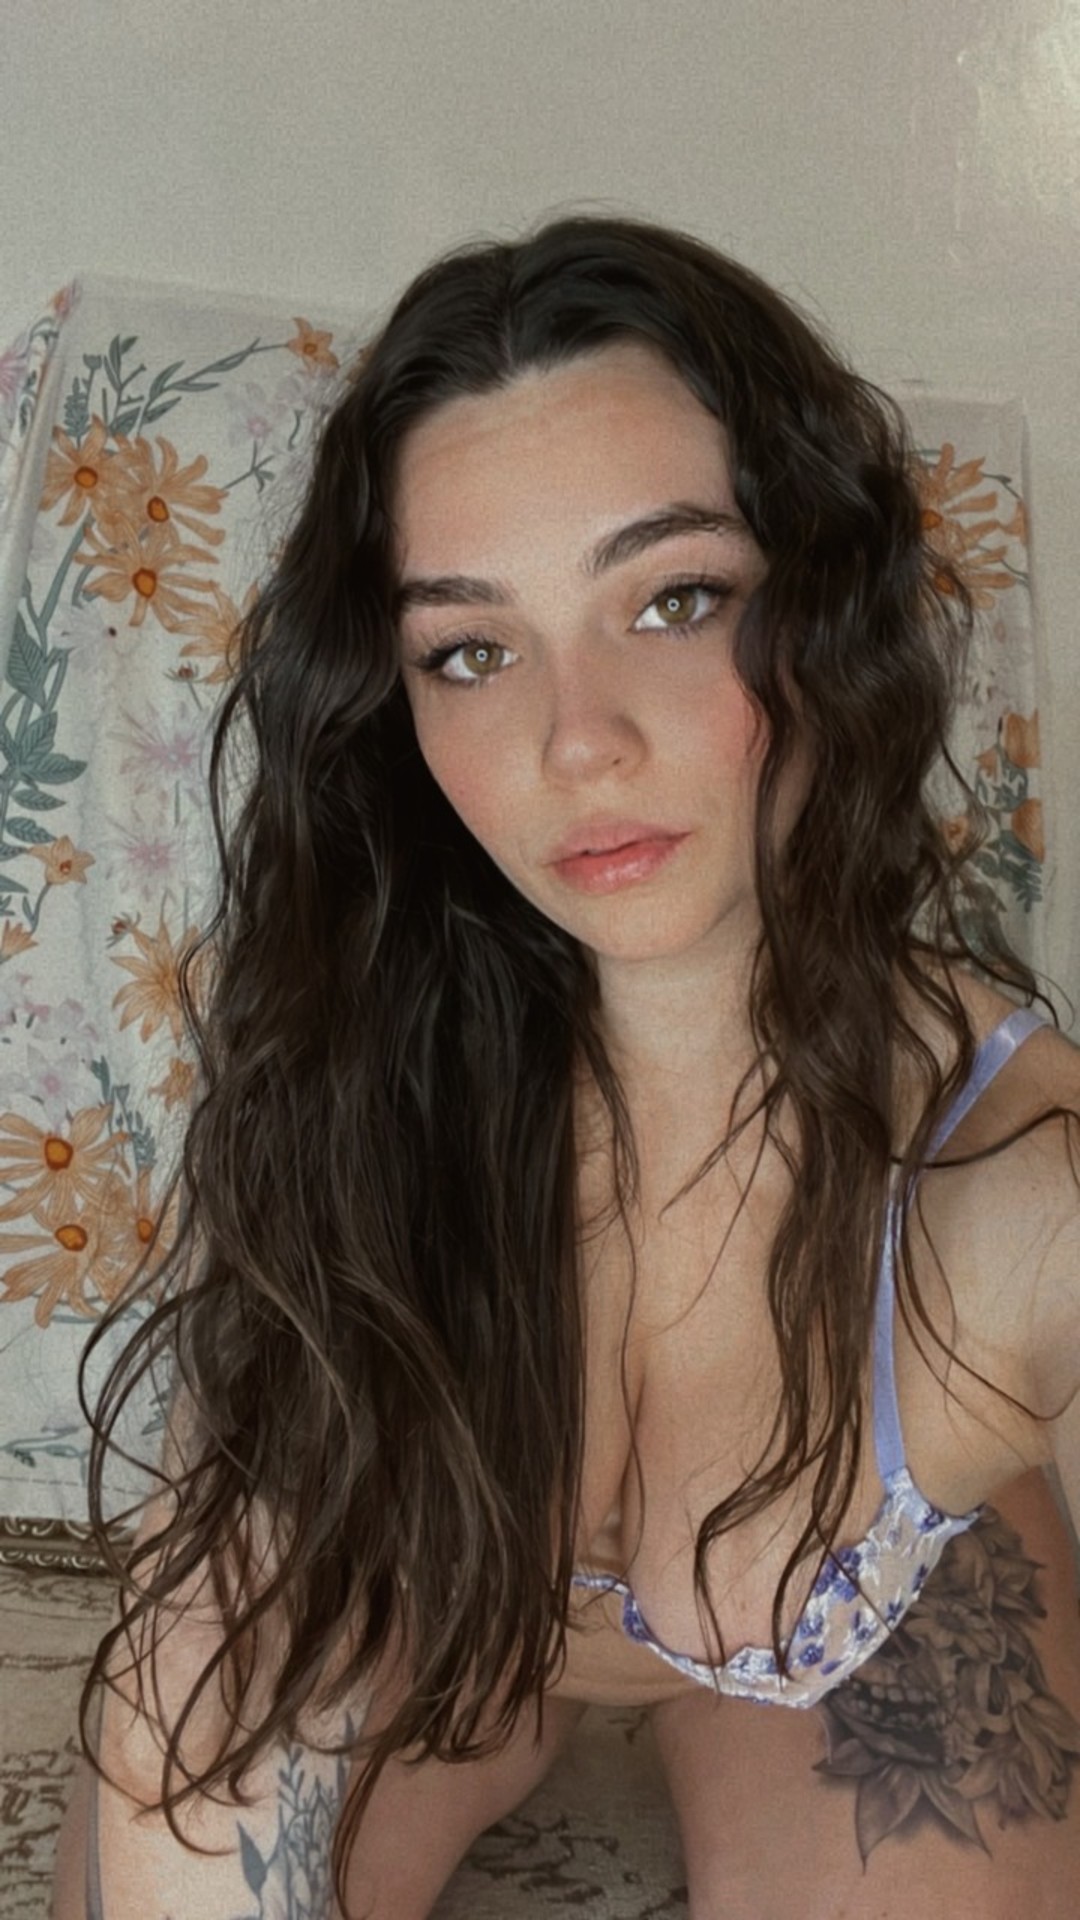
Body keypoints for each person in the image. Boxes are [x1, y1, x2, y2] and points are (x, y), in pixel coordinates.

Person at [50, 212, 1080, 1920]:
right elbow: (199, 1673)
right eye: (471, 647)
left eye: (675, 600)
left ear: (828, 605)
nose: (575, 742)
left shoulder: (1019, 1191)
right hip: (445, 1613)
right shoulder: (357, 1064)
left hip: (875, 1632)